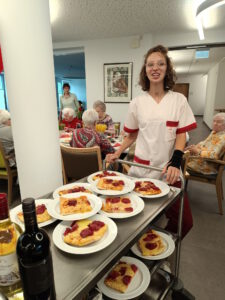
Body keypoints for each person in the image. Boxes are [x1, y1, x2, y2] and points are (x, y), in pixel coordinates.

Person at [106, 45, 197, 237]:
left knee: (184, 222)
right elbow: (131, 135)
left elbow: (181, 134)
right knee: (139, 220)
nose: (155, 68)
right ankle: (146, 249)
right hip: (141, 172)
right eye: (150, 65)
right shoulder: (137, 103)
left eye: (160, 64)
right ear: (145, 70)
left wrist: (176, 161)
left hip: (168, 171)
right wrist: (116, 152)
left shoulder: (178, 100)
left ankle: (162, 244)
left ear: (167, 69)